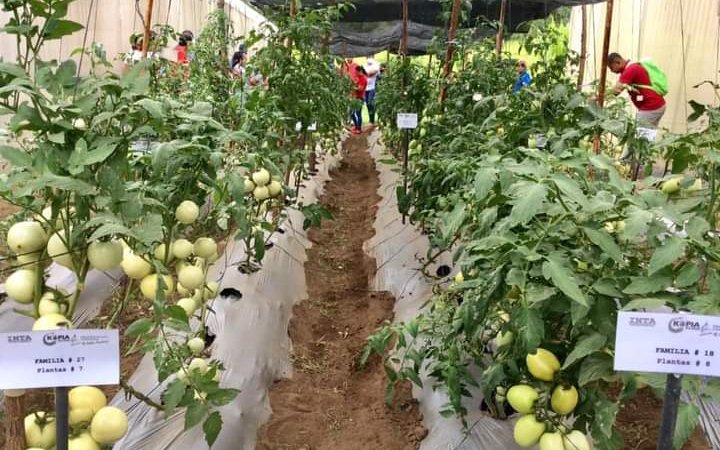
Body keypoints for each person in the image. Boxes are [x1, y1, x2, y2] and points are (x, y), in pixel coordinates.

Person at [608, 52, 666, 128]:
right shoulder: (632, 66)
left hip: (651, 107)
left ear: (617, 62)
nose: (611, 71)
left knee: (640, 136)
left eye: (611, 67)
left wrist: (597, 97)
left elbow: (616, 91)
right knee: (647, 135)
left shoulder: (630, 70)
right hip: (655, 105)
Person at [350, 65, 367, 134]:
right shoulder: (358, 78)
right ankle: (356, 126)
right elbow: (356, 84)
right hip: (355, 97)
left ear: (360, 71)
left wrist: (353, 87)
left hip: (360, 98)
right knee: (351, 113)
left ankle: (359, 128)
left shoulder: (363, 79)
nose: (355, 73)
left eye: (356, 72)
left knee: (358, 113)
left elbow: (360, 89)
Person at [363, 58, 380, 126]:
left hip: (372, 88)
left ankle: (372, 120)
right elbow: (364, 74)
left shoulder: (376, 66)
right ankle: (371, 120)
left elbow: (371, 73)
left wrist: (366, 73)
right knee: (367, 104)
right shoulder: (364, 66)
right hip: (365, 88)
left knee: (370, 103)